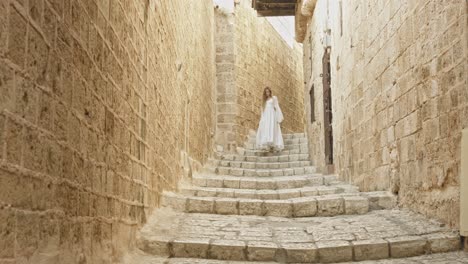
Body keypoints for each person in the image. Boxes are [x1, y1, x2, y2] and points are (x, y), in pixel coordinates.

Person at [256, 87, 284, 151]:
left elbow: (277, 107)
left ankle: (273, 143)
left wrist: (279, 117)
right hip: (266, 116)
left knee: (272, 128)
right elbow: (262, 110)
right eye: (266, 92)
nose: (267, 93)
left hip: (272, 115)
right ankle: (267, 144)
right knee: (266, 128)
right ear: (265, 93)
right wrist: (262, 119)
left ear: (270, 92)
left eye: (268, 91)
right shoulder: (264, 101)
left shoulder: (274, 98)